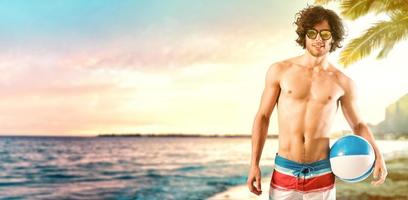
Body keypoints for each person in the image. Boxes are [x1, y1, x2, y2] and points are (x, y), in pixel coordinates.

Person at [246, 5, 388, 200]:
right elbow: (262, 116)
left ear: (334, 38)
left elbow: (358, 124)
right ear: (304, 35)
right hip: (285, 172)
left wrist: (378, 155)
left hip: (322, 174)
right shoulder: (280, 71)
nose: (318, 38)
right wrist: (254, 164)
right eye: (312, 33)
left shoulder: (343, 82)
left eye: (325, 33)